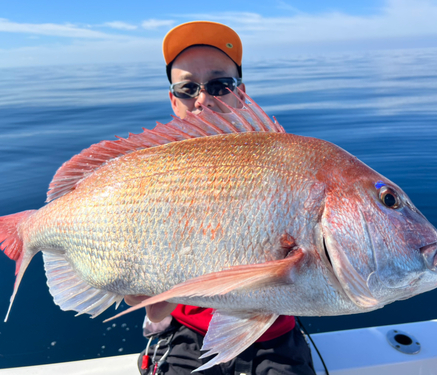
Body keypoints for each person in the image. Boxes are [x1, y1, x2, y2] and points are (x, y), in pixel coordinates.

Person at [125, 21, 316, 375]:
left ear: (240, 93)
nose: (203, 98)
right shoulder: (149, 175)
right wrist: (143, 296)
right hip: (188, 333)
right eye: (187, 88)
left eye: (220, 85)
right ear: (173, 99)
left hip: (275, 334)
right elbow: (154, 310)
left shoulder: (286, 160)